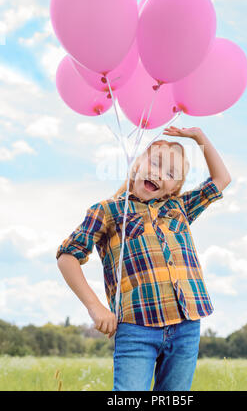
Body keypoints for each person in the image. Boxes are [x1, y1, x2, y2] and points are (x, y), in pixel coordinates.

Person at [56, 125, 231, 391]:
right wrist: (95, 307)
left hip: (186, 324)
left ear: (175, 188)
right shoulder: (109, 210)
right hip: (136, 328)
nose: (159, 174)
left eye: (170, 174)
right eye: (155, 163)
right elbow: (67, 255)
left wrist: (199, 138)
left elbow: (221, 179)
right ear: (138, 164)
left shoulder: (178, 208)